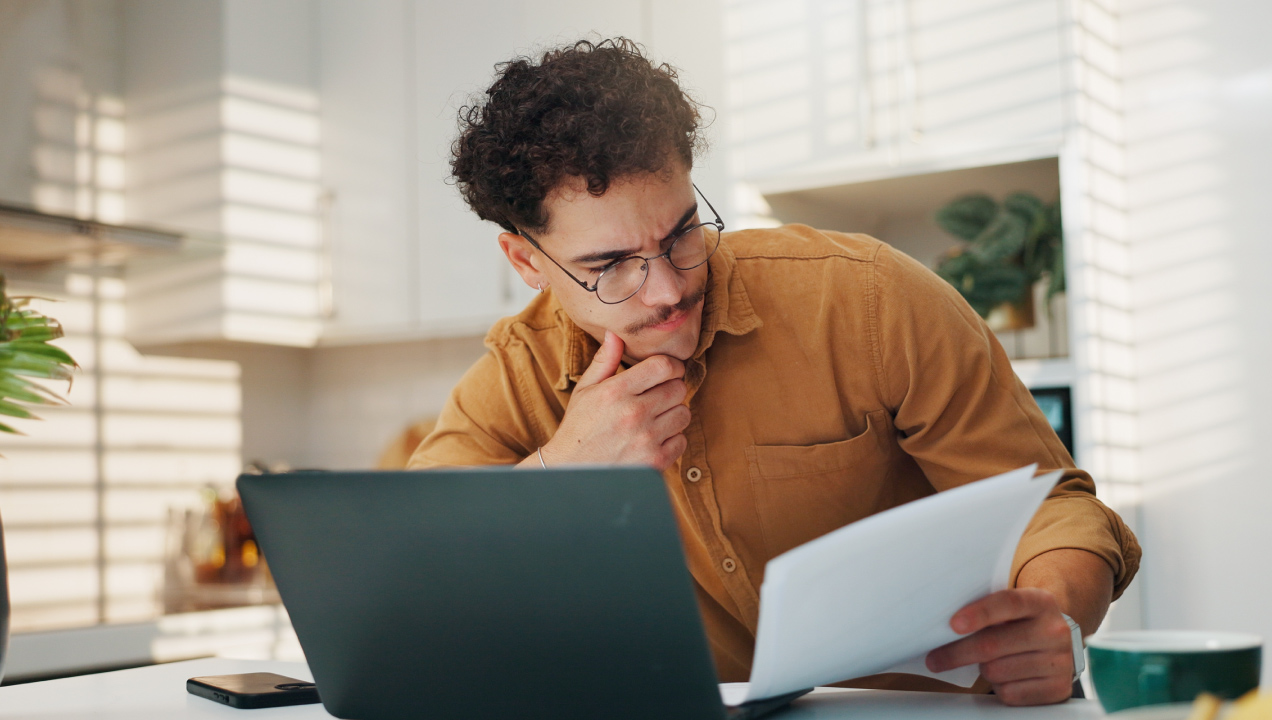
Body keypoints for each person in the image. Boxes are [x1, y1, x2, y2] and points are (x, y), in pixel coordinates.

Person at [408, 38, 1140, 706]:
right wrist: (562, 474)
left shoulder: (870, 300)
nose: (666, 288)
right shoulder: (519, 370)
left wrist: (1059, 621)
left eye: (681, 233)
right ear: (527, 262)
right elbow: (405, 580)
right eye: (609, 266)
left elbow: (1058, 508)